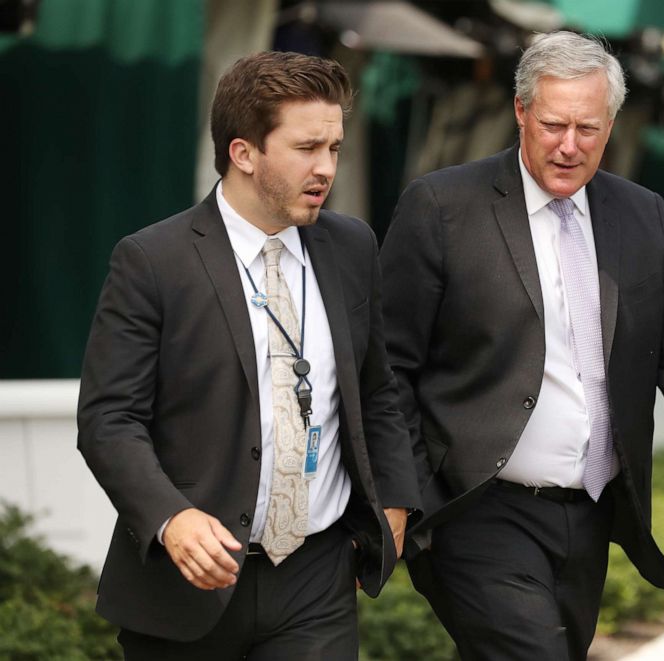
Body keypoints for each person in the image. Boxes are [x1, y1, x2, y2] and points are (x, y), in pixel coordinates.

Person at [379, 31, 664, 660]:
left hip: (589, 515)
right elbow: (388, 363)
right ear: (521, 111)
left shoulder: (644, 216)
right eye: (554, 124)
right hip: (476, 508)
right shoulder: (444, 207)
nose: (569, 145)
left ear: (611, 122)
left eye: (588, 127)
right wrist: (409, 492)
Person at [77, 51, 420, 659]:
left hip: (316, 575)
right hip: (189, 583)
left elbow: (376, 389)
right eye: (306, 147)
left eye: (334, 149)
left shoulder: (352, 246)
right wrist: (170, 518)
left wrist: (393, 500)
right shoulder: (152, 261)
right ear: (244, 152)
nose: (326, 168)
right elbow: (109, 421)